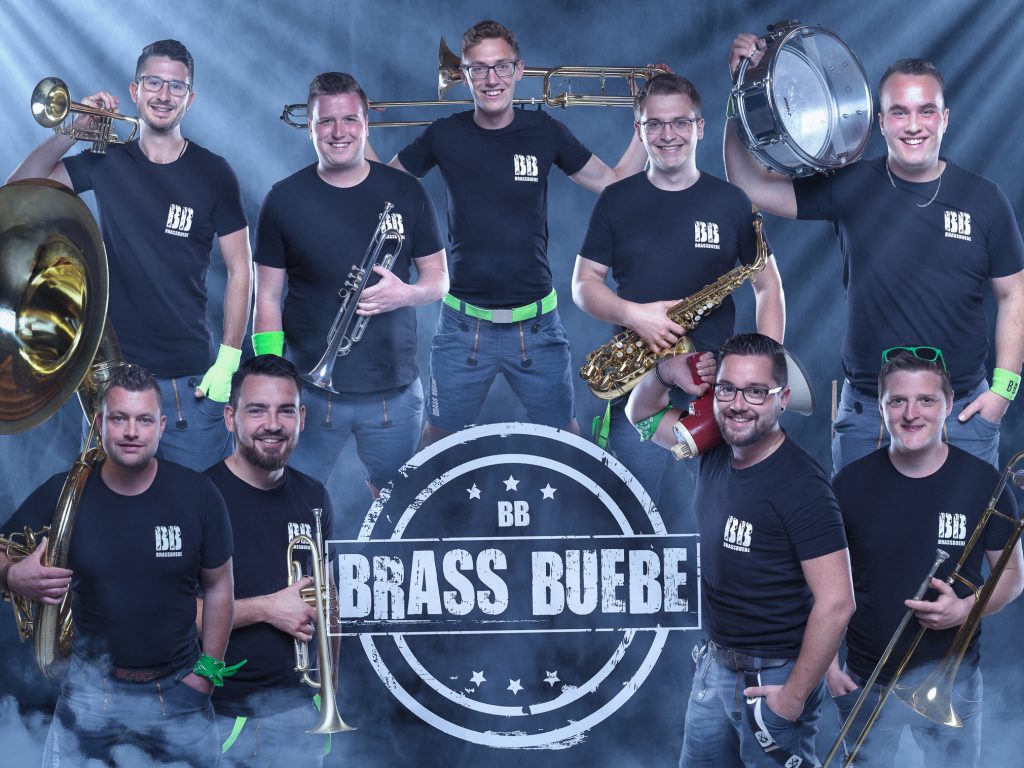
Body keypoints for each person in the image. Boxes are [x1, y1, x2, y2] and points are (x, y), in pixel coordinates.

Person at [723, 45, 1024, 473]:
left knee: (971, 521)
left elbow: (1014, 293)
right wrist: (740, 92)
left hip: (961, 414)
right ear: (880, 122)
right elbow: (749, 183)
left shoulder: (985, 199)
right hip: (869, 417)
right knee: (859, 520)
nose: (913, 125)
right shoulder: (852, 183)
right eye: (899, 112)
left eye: (926, 111)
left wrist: (1003, 392)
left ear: (945, 119)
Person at [385, 19, 661, 446]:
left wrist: (645, 122)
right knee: (436, 444)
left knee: (566, 441)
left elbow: (614, 184)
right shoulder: (445, 134)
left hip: (537, 327)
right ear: (463, 75)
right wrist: (355, 133)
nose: (491, 79)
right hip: (462, 327)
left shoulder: (544, 130)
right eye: (478, 68)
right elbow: (384, 187)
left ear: (519, 70)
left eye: (501, 66)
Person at [7, 39, 252, 472]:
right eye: (153, 82)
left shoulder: (215, 173)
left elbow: (240, 268)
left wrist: (228, 363)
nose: (164, 95)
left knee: (199, 505)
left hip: (189, 383)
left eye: (176, 86)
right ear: (135, 91)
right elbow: (17, 191)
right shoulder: (105, 162)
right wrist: (73, 128)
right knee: (117, 504)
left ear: (190, 99)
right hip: (114, 376)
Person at [627, 333, 854, 767]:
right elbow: (640, 414)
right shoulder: (709, 453)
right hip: (714, 670)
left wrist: (792, 698)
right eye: (727, 389)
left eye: (755, 392)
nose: (737, 404)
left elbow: (838, 603)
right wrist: (667, 372)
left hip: (776, 676)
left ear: (782, 399)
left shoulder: (803, 486)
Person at [0, 364, 235, 766]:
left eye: (144, 420)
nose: (131, 431)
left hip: (179, 693)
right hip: (89, 695)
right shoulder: (65, 492)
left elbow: (220, 587)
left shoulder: (198, 494)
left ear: (161, 426)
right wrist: (11, 574)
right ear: (99, 423)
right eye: (119, 418)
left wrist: (207, 674)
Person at [572, 72, 784, 506]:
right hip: (636, 380)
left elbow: (769, 288)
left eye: (680, 122)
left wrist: (763, 371)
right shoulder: (616, 200)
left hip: (715, 386)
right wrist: (634, 315)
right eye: (655, 124)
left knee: (728, 512)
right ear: (639, 130)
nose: (668, 135)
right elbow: (583, 284)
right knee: (628, 515)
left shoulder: (732, 202)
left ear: (699, 127)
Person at [254, 71, 447, 498]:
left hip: (395, 393)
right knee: (292, 499)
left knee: (397, 506)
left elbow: (439, 279)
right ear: (310, 127)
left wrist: (406, 294)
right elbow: (265, 297)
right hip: (309, 390)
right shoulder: (283, 199)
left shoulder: (407, 192)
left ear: (366, 123)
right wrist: (270, 377)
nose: (338, 132)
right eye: (325, 121)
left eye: (349, 119)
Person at [829, 348, 1023, 767]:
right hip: (866, 679)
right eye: (897, 400)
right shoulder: (848, 484)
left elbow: (1012, 573)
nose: (911, 413)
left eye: (926, 400)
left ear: (949, 404)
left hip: (953, 681)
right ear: (881, 406)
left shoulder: (984, 481)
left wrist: (966, 609)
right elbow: (819, 586)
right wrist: (828, 668)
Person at [202, 355, 340, 765]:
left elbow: (329, 606)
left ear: (302, 418)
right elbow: (170, 613)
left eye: (285, 410)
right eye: (257, 410)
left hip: (298, 716)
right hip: (218, 716)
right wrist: (268, 608)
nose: (273, 424)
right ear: (231, 418)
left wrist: (329, 693)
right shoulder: (197, 497)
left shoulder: (314, 497)